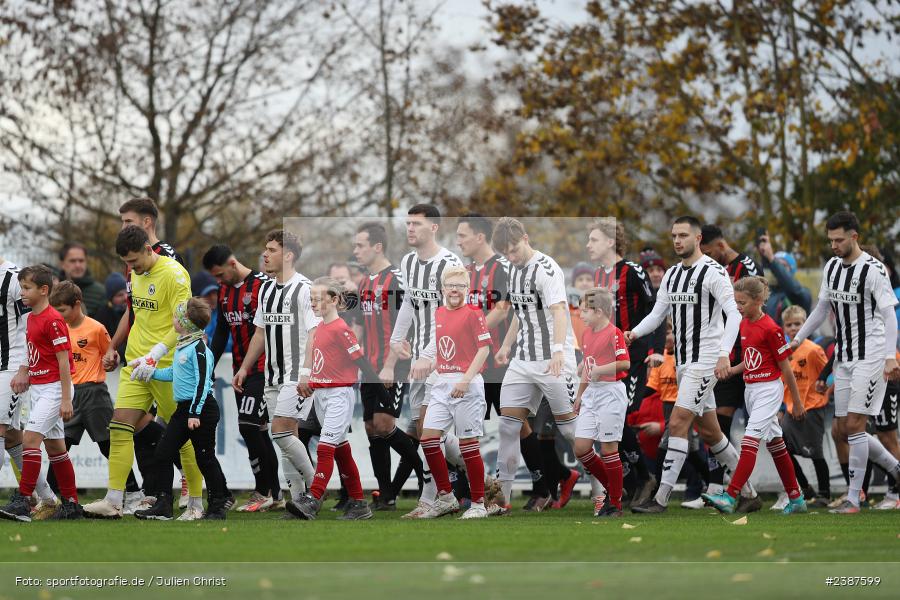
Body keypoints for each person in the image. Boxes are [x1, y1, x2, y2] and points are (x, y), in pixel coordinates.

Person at [625, 216, 749, 514]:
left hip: (705, 362)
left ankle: (661, 499)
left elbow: (734, 314)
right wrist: (635, 332)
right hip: (683, 361)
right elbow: (657, 314)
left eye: (683, 235)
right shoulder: (671, 275)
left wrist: (723, 353)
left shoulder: (713, 272)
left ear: (697, 238)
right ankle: (748, 493)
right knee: (711, 433)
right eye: (674, 236)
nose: (677, 240)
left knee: (678, 423)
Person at [84, 226, 204, 520]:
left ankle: (196, 503)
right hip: (136, 364)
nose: (132, 268)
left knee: (182, 435)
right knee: (119, 425)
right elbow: (135, 314)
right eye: (127, 263)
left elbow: (185, 323)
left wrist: (156, 355)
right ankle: (114, 501)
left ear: (149, 249)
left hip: (166, 366)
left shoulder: (175, 275)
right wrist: (116, 347)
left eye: (135, 261)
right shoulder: (135, 274)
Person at [789, 211, 900, 513]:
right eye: (831, 241)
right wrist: (798, 339)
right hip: (845, 357)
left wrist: (890, 356)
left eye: (839, 240)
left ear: (854, 236)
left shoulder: (875, 270)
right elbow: (821, 308)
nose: (834, 246)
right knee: (841, 430)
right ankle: (896, 470)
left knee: (854, 425)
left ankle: (853, 498)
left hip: (872, 355)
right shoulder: (832, 268)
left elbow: (890, 316)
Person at [488, 217, 579, 516]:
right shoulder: (512, 270)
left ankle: (607, 490)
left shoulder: (546, 268)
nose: (511, 257)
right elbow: (519, 311)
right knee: (507, 425)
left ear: (525, 238)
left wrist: (557, 352)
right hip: (523, 360)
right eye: (506, 253)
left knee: (571, 430)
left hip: (553, 359)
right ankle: (500, 500)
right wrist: (505, 346)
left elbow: (559, 312)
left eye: (514, 250)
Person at [380, 204, 464, 519]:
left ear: (434, 227)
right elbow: (409, 306)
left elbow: (454, 316)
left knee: (430, 430)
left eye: (416, 223)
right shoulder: (409, 262)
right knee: (428, 430)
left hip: (444, 359)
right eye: (408, 223)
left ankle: (432, 499)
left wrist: (430, 354)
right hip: (418, 359)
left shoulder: (450, 263)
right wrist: (395, 342)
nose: (410, 229)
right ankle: (478, 479)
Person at [702, 276, 807, 514]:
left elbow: (786, 369)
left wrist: (797, 403)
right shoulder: (744, 323)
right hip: (751, 390)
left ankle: (730, 496)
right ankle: (797, 498)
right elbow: (752, 361)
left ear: (758, 300)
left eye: (742, 302)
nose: (738, 307)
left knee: (750, 440)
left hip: (769, 391)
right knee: (776, 444)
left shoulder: (772, 328)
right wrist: (731, 369)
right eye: (736, 302)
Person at [232, 230, 318, 513]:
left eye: (271, 250)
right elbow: (259, 333)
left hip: (296, 375)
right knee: (287, 437)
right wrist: (245, 368)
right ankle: (299, 499)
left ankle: (317, 485)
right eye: (265, 249)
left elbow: (314, 333)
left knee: (279, 432)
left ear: (289, 255)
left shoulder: (305, 288)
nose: (265, 255)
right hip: (272, 375)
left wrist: (306, 372)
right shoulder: (267, 288)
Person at [43, 281, 141, 516]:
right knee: (60, 447)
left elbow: (111, 355)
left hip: (94, 394)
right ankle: (53, 500)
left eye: (63, 310)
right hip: (69, 394)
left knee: (109, 445)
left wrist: (111, 360)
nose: (60, 315)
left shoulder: (96, 328)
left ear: (77, 305)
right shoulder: (58, 328)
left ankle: (134, 492)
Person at [288, 278, 380, 521]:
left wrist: (381, 394)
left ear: (334, 300)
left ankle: (313, 498)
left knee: (325, 447)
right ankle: (359, 504)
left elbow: (362, 362)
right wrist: (308, 381)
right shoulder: (320, 328)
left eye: (319, 298)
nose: (314, 302)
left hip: (339, 395)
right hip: (322, 396)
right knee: (340, 450)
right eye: (312, 298)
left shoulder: (341, 329)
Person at [588, 218, 663, 507]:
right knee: (610, 420)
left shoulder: (633, 272)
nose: (588, 245)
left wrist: (656, 349)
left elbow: (655, 310)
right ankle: (631, 482)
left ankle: (644, 478)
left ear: (610, 241)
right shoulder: (598, 276)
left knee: (621, 417)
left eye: (593, 240)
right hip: (606, 360)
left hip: (633, 356)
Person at [0, 266, 82, 521]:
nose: (21, 292)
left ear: (43, 290)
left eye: (26, 288)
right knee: (56, 447)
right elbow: (33, 354)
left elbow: (64, 363)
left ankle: (24, 501)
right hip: (40, 387)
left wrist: (66, 398)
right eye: (22, 287)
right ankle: (71, 505)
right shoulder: (32, 319)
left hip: (55, 388)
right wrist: (27, 372)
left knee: (30, 439)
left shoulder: (53, 320)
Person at [135, 298, 229, 520]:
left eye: (177, 317)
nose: (173, 320)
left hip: (201, 409)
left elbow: (203, 383)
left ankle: (218, 505)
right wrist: (151, 372)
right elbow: (175, 374)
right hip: (185, 409)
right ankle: (164, 504)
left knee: (204, 457)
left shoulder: (199, 348)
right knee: (163, 452)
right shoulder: (183, 345)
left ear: (187, 322)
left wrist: (195, 413)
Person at [410, 265, 492, 519]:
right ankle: (446, 497)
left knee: (468, 445)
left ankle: (478, 504)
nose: (454, 290)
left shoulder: (474, 313)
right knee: (428, 439)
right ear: (443, 289)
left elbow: (484, 350)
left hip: (467, 385)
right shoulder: (440, 313)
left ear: (467, 289)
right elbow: (443, 349)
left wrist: (465, 380)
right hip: (442, 383)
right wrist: (427, 363)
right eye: (450, 285)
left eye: (460, 286)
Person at [204, 244, 281, 512]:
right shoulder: (224, 292)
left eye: (219, 274)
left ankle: (264, 491)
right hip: (240, 371)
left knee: (248, 425)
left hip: (264, 369)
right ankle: (274, 493)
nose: (217, 281)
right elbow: (222, 332)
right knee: (256, 429)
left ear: (233, 264)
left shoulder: (263, 285)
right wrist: (210, 365)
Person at [352, 222, 423, 510]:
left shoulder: (395, 280)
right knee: (371, 427)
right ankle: (387, 495)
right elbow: (357, 325)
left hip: (391, 366)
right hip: (368, 367)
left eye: (360, 245)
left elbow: (403, 328)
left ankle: (428, 476)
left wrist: (390, 365)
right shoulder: (364, 282)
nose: (355, 251)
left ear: (377, 247)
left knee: (384, 424)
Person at [699, 223, 765, 511]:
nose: (707, 258)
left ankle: (796, 489)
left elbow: (756, 310)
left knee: (770, 432)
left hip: (749, 359)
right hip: (725, 359)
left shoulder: (746, 267)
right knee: (718, 424)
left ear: (720, 247)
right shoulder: (713, 271)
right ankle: (716, 487)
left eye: (709, 252)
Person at [0, 257, 59, 514]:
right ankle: (47, 499)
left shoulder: (14, 279)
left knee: (1, 429)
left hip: (11, 366)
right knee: (13, 436)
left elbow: (30, 326)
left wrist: (24, 367)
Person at [573, 287, 630, 518]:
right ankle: (615, 490)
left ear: (598, 311)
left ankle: (615, 504)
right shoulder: (586, 334)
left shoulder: (613, 332)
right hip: (592, 394)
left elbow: (624, 364)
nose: (581, 315)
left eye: (584, 311)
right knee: (581, 447)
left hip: (611, 394)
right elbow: (588, 369)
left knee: (608, 449)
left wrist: (600, 369)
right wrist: (579, 396)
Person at [777, 305, 832, 508]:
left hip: (812, 409)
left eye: (798, 324)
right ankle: (805, 488)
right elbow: (783, 382)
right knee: (781, 448)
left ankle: (825, 494)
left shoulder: (813, 350)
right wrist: (782, 409)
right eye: (789, 325)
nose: (793, 328)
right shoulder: (783, 352)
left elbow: (829, 373)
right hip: (791, 409)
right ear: (783, 327)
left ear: (805, 325)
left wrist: (823, 394)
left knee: (815, 453)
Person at [755, 234, 811, 324]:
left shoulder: (801, 293)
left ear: (792, 270)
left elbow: (791, 286)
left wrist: (772, 260)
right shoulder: (767, 296)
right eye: (777, 264)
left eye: (784, 266)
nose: (776, 271)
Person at [58, 243, 106, 317]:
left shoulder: (100, 292)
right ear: (62, 264)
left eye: (81, 261)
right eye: (72, 261)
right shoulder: (53, 290)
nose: (78, 265)